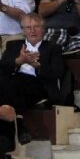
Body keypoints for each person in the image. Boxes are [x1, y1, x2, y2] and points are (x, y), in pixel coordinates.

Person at [0, 12, 65, 147]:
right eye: (28, 27)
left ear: (43, 30)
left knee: (14, 85)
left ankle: (13, 132)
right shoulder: (13, 45)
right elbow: (3, 67)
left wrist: (37, 66)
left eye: (36, 27)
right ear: (23, 30)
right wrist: (19, 61)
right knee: (12, 85)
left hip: (39, 84)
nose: (32, 30)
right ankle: (16, 129)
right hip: (14, 84)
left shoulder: (53, 47)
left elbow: (57, 72)